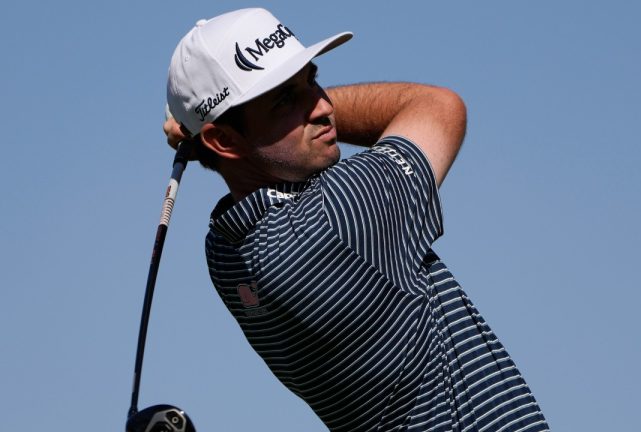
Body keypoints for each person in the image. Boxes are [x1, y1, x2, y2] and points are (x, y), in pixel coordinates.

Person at [164, 7, 549, 432]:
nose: (324, 106)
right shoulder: (339, 216)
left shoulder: (224, 253)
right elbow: (438, 106)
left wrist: (207, 135)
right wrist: (203, 135)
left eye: (312, 80)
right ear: (225, 140)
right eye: (285, 100)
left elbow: (248, 161)